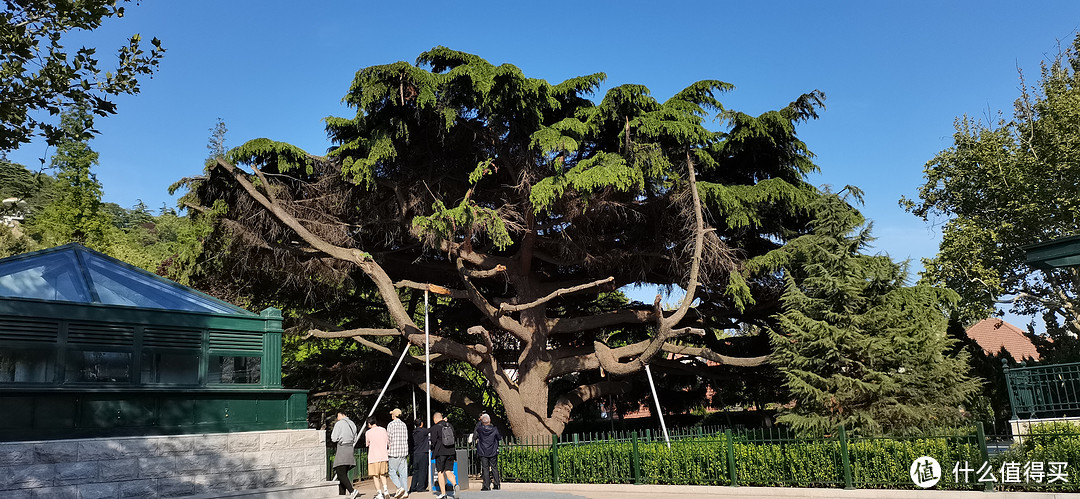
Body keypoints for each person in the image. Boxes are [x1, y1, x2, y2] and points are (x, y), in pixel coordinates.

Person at [330, 411, 359, 498]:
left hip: (342, 448)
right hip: (350, 449)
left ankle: (352, 491)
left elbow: (333, 438)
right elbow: (355, 438)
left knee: (340, 472)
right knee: (343, 473)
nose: (337, 418)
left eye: (337, 416)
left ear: (340, 414)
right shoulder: (352, 424)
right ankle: (341, 495)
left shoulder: (339, 424)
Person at [429, 412, 457, 499]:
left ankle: (443, 494)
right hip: (451, 451)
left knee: (440, 472)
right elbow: (454, 436)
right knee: (448, 471)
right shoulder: (449, 425)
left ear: (435, 419)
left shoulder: (435, 427)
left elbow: (433, 441)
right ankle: (455, 485)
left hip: (440, 452)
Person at [365, 417, 391, 499]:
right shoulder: (383, 430)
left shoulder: (368, 432)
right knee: (383, 474)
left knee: (375, 476)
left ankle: (379, 493)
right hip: (383, 455)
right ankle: (386, 490)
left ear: (369, 424)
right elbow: (388, 442)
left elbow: (367, 444)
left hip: (373, 457)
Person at [474, 413, 502, 491]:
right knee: (494, 467)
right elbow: (499, 437)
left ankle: (486, 485)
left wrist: (482, 421)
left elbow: (475, 435)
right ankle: (496, 484)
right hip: (492, 450)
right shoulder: (494, 429)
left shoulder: (480, 429)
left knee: (485, 468)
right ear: (490, 420)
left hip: (483, 451)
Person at [387, 408, 410, 498]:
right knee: (403, 473)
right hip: (403, 451)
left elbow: (388, 438)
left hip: (394, 451)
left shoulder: (391, 425)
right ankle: (405, 491)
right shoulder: (404, 425)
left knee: (392, 471)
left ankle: (400, 487)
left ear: (394, 415)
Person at [408, 418, 430, 494]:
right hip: (423, 453)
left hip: (416, 453)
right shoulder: (423, 431)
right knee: (423, 470)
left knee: (416, 471)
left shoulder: (414, 432)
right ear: (422, 424)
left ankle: (413, 487)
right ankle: (421, 487)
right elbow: (431, 429)